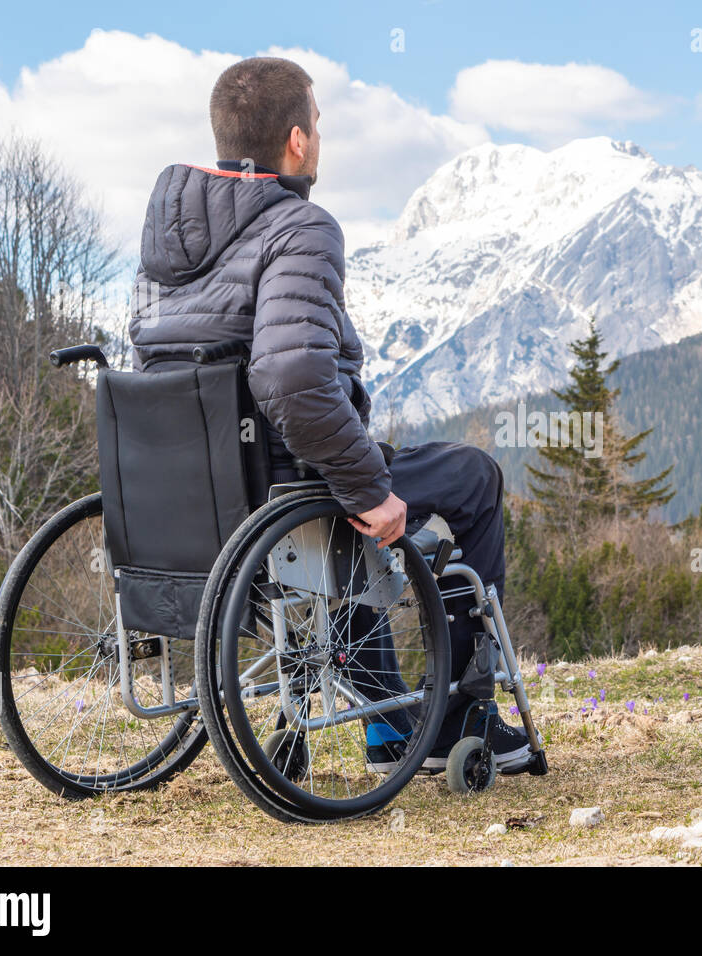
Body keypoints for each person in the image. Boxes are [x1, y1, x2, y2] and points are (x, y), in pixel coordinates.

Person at [128, 56, 530, 773]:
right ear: (298, 141)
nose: (321, 135)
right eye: (319, 122)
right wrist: (370, 488)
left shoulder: (168, 235)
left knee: (351, 487)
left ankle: (390, 729)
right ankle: (460, 715)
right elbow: (291, 374)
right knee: (468, 477)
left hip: (194, 494)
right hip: (283, 482)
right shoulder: (300, 227)